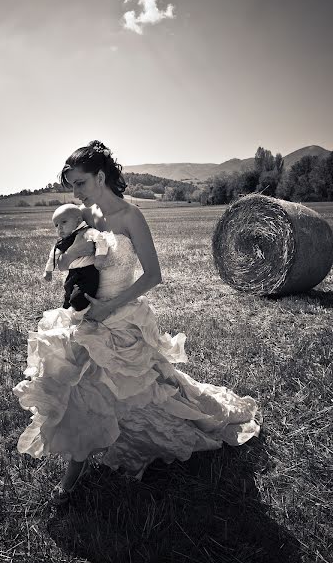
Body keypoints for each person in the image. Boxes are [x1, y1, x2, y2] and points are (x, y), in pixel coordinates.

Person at [13, 140, 261, 504]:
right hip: (87, 315)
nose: (74, 191)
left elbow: (153, 276)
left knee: (136, 390)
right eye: (71, 185)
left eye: (79, 183)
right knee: (80, 387)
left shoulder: (131, 217)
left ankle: (82, 474)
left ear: (100, 177)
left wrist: (108, 308)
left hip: (122, 313)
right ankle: (76, 470)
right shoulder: (90, 217)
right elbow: (74, 260)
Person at [43, 203, 114, 311]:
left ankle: (81, 309)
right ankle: (69, 311)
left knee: (79, 297)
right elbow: (54, 254)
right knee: (68, 292)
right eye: (56, 225)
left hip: (88, 271)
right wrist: (48, 271)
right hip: (72, 273)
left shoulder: (87, 232)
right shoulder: (63, 241)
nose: (60, 228)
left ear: (78, 220)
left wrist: (100, 257)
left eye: (64, 222)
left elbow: (100, 239)